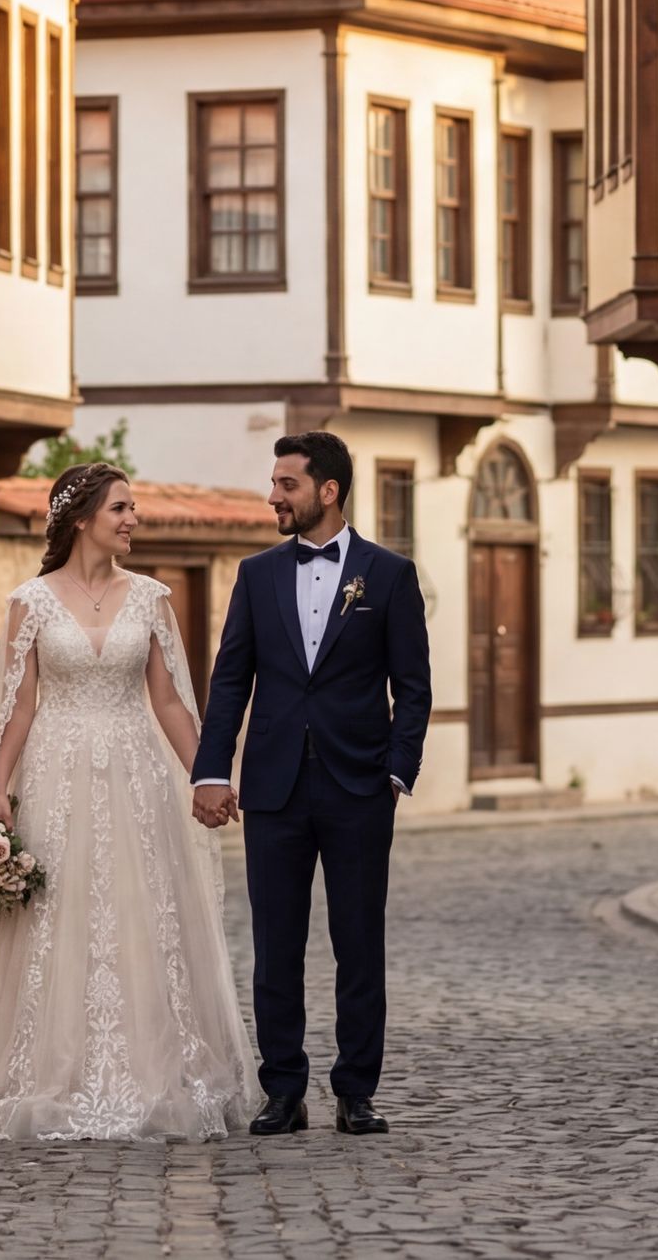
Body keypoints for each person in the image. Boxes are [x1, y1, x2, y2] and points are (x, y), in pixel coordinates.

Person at [0, 462, 259, 1141]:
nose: (133, 519)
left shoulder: (151, 598)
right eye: (121, 508)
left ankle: (153, 1067)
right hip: (56, 775)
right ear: (82, 518)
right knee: (56, 915)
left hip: (135, 776)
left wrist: (207, 776)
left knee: (138, 913)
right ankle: (46, 1068)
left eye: (133, 508)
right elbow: (18, 706)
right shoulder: (31, 602)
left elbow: (168, 700)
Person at [191, 430, 432, 1137]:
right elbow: (230, 680)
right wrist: (212, 770)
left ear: (328, 490)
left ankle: (356, 1090)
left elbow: (413, 686)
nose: (273, 495)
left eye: (286, 483)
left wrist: (396, 770)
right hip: (274, 788)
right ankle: (283, 1090)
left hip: (360, 786)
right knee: (276, 945)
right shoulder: (257, 575)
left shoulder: (390, 575)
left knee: (358, 942)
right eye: (274, 482)